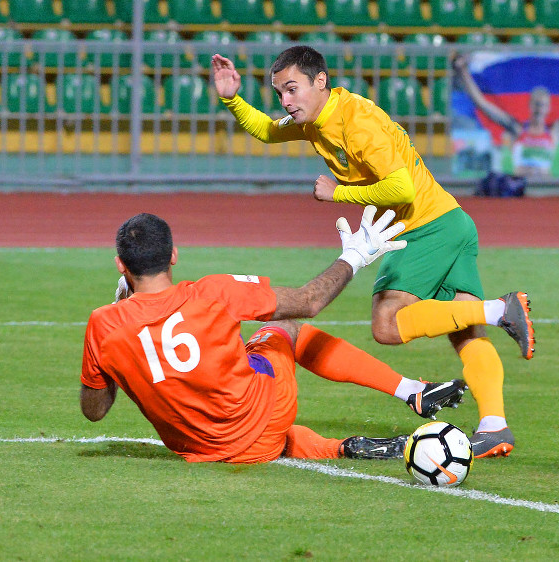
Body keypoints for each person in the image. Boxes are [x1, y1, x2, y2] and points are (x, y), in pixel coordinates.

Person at [211, 46, 535, 458]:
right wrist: (232, 99)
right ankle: (494, 426)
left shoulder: (356, 123)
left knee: (387, 323)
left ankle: (501, 309)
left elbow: (402, 189)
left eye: (292, 89)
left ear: (320, 81)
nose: (285, 101)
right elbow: (267, 131)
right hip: (451, 222)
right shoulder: (316, 119)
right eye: (279, 93)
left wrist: (337, 194)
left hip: (423, 226)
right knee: (464, 326)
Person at [80, 208, 467, 463]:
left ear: (120, 265)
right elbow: (309, 301)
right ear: (173, 255)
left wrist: (117, 330)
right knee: (284, 328)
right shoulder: (213, 291)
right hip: (266, 420)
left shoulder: (104, 324)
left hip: (207, 452)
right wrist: (355, 255)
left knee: (234, 394)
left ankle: (338, 448)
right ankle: (410, 391)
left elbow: (94, 411)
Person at [453, 55, 559, 180]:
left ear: (548, 108)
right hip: (522, 188)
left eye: (543, 105)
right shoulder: (517, 129)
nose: (539, 109)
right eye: (537, 104)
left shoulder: (554, 131)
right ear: (530, 105)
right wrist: (463, 72)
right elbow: (483, 104)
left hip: (545, 188)